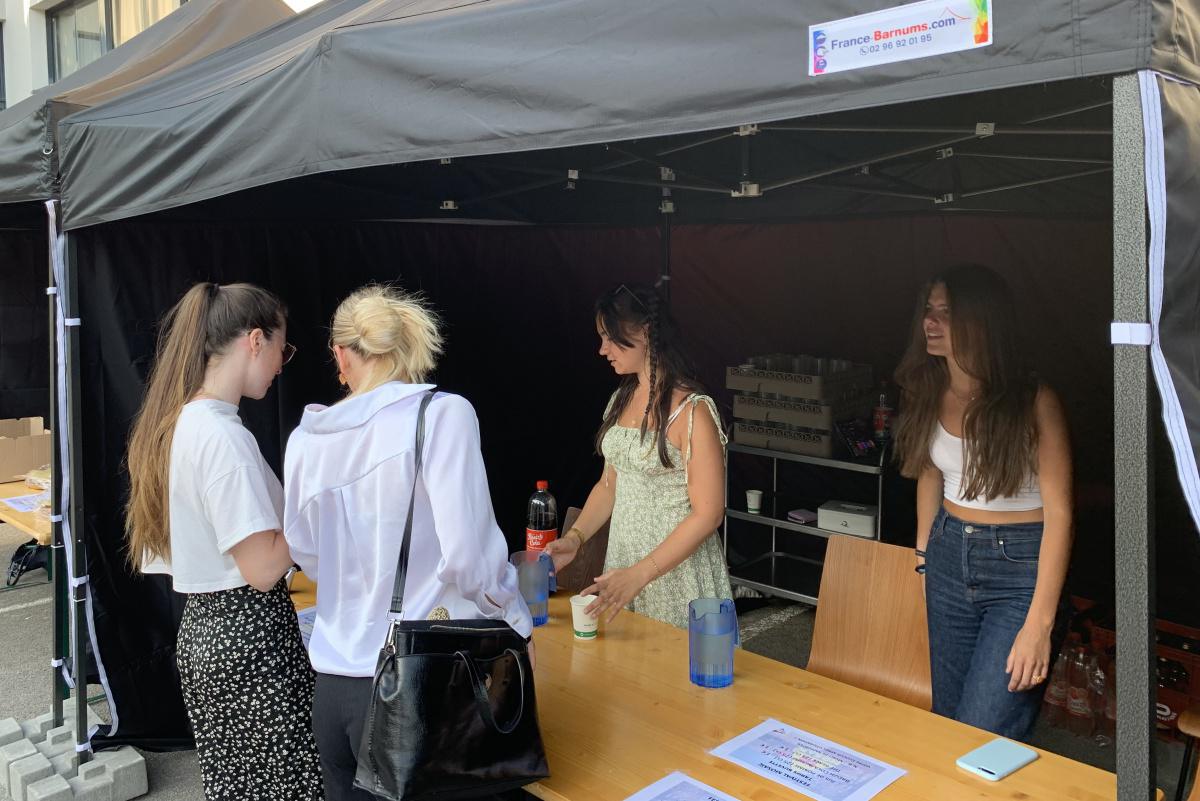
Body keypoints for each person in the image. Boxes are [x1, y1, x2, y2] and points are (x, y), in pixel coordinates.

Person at [282, 284, 533, 801]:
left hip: (333, 686)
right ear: (406, 346)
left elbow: (306, 553)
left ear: (340, 354)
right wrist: (512, 616)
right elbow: (470, 558)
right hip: (418, 687)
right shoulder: (443, 414)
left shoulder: (306, 439)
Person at [124, 282, 323, 800]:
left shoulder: (181, 422)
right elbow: (262, 568)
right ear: (255, 341)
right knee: (287, 789)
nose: (283, 362)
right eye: (283, 347)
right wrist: (316, 497)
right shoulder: (221, 436)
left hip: (207, 634)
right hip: (249, 638)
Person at [893, 264, 1072, 740]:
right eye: (928, 311)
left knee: (984, 728)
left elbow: (1061, 514)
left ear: (982, 319)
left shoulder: (1034, 401)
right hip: (948, 555)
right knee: (946, 718)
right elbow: (929, 475)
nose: (930, 322)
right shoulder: (929, 389)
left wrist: (1040, 624)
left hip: (1020, 567)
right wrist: (923, 555)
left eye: (946, 312)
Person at [545, 283, 731, 629]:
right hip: (623, 569)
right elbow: (608, 485)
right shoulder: (619, 400)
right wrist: (575, 539)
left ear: (644, 332)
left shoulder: (693, 411)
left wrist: (640, 574)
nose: (602, 349)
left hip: (677, 576)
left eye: (609, 337)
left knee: (679, 679)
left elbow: (709, 514)